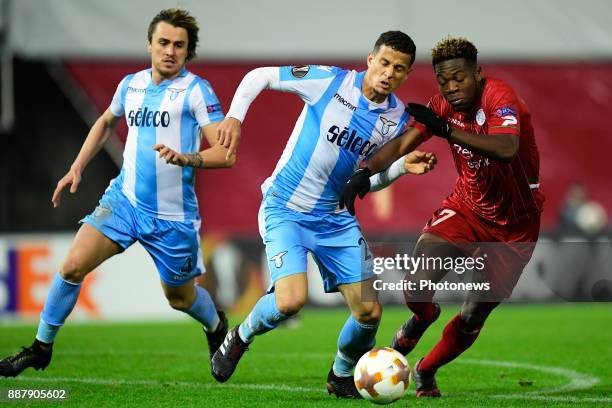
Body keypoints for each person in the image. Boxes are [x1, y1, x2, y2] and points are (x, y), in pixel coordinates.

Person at [0, 8, 233, 377]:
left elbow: (224, 152)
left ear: (188, 52)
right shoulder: (131, 84)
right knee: (72, 265)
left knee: (180, 298)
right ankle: (41, 347)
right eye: (163, 42)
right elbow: (107, 121)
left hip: (172, 217)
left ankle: (216, 326)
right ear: (149, 44)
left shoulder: (196, 91)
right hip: (124, 202)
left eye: (179, 45)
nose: (170, 51)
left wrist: (188, 158)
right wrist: (77, 166)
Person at [208, 31, 435, 398]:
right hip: (286, 209)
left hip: (336, 218)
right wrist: (235, 116)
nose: (389, 73)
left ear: (406, 74)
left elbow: (362, 183)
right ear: (370, 59)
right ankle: (240, 336)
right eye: (385, 63)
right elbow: (260, 75)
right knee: (290, 301)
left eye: (400, 68)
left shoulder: (395, 119)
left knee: (369, 314)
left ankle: (340, 374)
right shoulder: (329, 81)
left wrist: (400, 169)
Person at [340, 36, 544, 397]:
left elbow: (507, 149)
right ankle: (423, 316)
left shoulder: (499, 96)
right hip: (466, 209)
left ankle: (425, 370)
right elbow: (403, 143)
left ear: (477, 74)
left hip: (515, 227)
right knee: (416, 286)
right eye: (443, 82)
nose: (451, 88)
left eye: (459, 79)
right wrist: (364, 173)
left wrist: (447, 129)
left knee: (472, 315)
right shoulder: (442, 107)